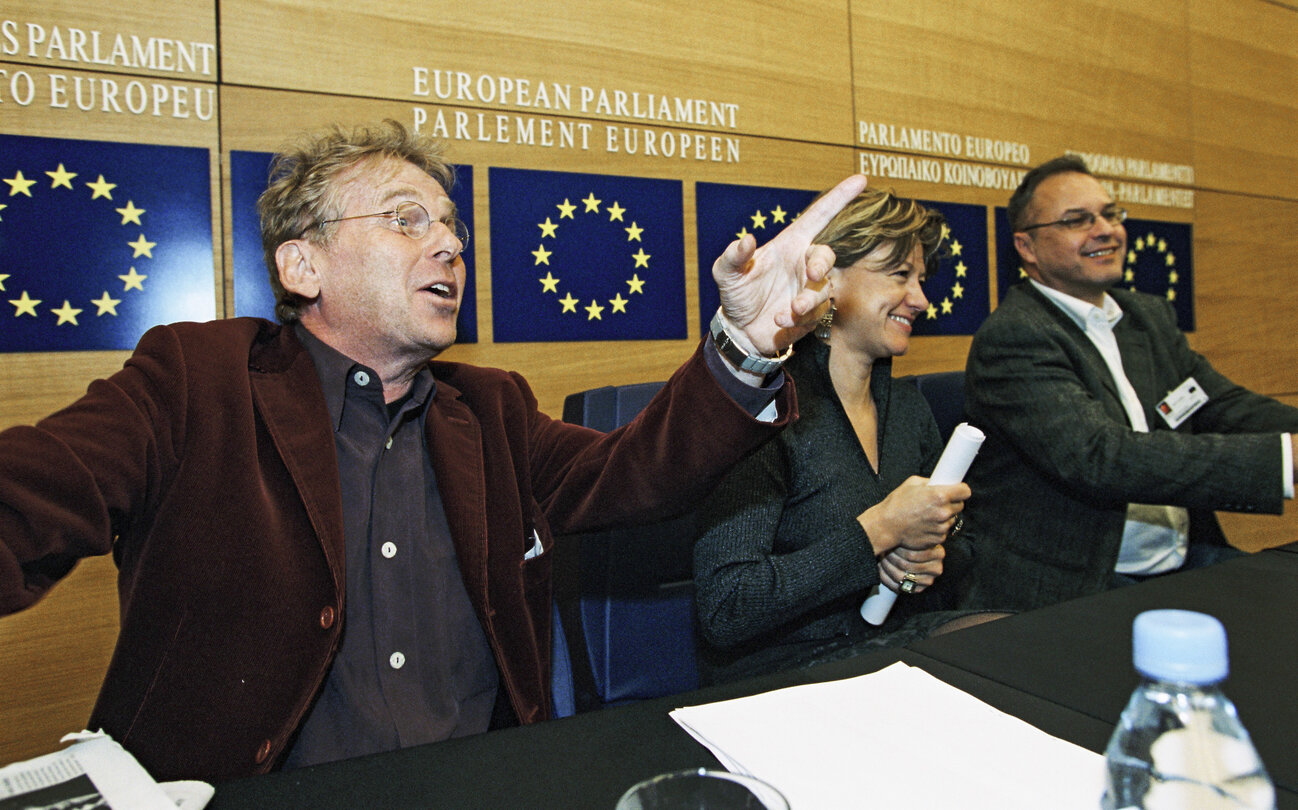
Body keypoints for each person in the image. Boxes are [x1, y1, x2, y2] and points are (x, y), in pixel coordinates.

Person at [0, 120, 866, 781]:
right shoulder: (197, 381)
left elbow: (632, 475)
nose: (450, 243)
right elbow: (36, 493)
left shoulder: (490, 408)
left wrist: (745, 344)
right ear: (303, 267)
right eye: (406, 220)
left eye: (450, 225)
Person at [958, 155, 1298, 612]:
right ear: (1027, 247)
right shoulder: (1015, 336)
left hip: (1184, 559)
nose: (1104, 230)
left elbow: (1221, 406)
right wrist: (1283, 460)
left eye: (1110, 214)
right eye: (1078, 220)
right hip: (1078, 582)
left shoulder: (1146, 317)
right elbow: (1102, 458)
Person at [693, 188, 982, 685]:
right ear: (828, 280)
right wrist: (876, 533)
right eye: (899, 276)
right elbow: (729, 608)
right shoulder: (763, 409)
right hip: (779, 674)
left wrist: (927, 556)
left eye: (920, 279)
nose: (921, 299)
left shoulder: (908, 408)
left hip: (889, 653)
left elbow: (963, 551)